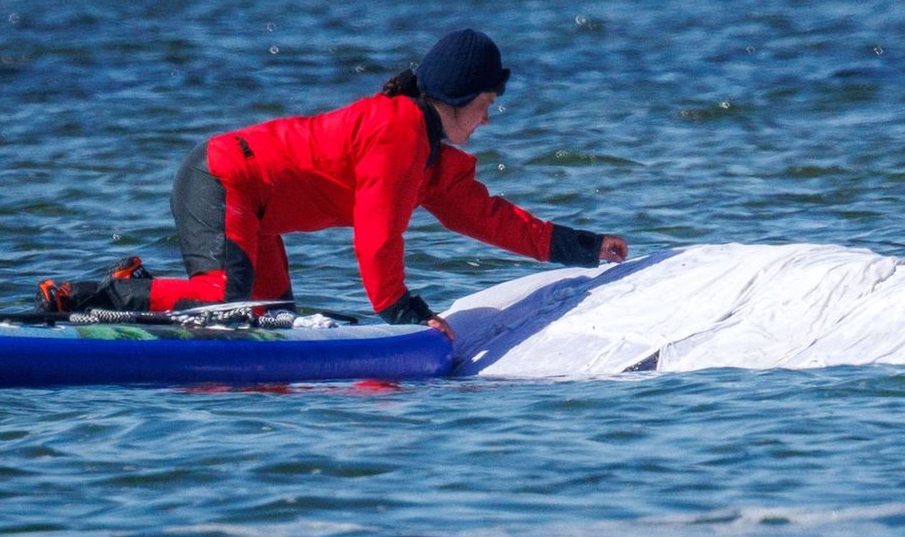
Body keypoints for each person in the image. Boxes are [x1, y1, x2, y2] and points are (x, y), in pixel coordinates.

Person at [35, 29, 629, 338]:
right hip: (220, 178)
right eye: (486, 104)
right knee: (228, 302)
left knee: (265, 323)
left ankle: (147, 300)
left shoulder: (431, 155)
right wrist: (401, 311)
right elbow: (376, 236)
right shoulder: (396, 132)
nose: (488, 119)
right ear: (456, 99)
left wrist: (582, 247)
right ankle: (99, 297)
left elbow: (488, 217)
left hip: (256, 210)